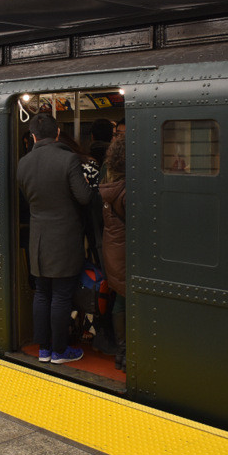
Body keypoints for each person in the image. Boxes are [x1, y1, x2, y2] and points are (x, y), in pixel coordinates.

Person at [18, 113, 94, 364]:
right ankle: (60, 351)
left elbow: (28, 198)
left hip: (38, 239)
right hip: (64, 239)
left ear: (33, 137)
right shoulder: (68, 159)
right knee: (61, 294)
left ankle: (44, 349)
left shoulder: (23, 164)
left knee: (42, 293)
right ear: (58, 133)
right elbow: (84, 197)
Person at [100, 135, 127, 370]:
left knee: (120, 298)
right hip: (125, 250)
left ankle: (121, 352)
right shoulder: (126, 191)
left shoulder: (109, 183)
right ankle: (127, 353)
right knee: (127, 299)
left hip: (112, 249)